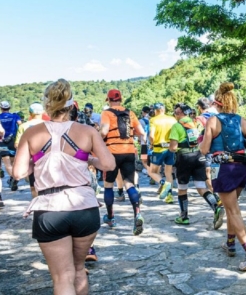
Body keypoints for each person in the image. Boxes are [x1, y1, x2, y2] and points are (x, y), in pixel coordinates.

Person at [12, 79, 115, 294]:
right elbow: (108, 164)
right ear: (71, 104)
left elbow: (19, 173)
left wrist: (37, 161)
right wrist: (89, 160)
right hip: (84, 207)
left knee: (61, 277)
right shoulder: (87, 131)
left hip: (50, 209)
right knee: (79, 270)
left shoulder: (31, 133)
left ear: (47, 104)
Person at [200, 82, 246, 271]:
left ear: (217, 103)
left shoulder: (213, 121)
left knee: (233, 210)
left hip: (223, 169)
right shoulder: (242, 120)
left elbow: (204, 149)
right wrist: (245, 147)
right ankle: (230, 243)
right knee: (231, 207)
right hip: (241, 168)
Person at [169, 103, 224, 228]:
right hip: (198, 157)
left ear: (179, 113)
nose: (175, 115)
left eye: (176, 112)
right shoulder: (195, 123)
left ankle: (184, 217)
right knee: (201, 187)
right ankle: (216, 207)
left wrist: (170, 147)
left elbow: (173, 148)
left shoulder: (176, 126)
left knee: (182, 188)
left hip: (184, 159)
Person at [100, 89, 146, 235]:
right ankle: (137, 214)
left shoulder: (106, 113)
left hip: (112, 153)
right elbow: (141, 132)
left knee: (108, 185)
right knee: (129, 183)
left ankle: (111, 217)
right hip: (128, 152)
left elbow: (104, 132)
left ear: (108, 100)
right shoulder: (130, 113)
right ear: (121, 99)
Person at [147, 102, 177, 204]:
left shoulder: (153, 120)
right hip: (170, 148)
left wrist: (151, 144)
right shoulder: (172, 119)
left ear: (155, 110)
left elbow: (151, 135)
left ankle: (163, 183)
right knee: (168, 173)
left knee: (152, 172)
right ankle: (169, 196)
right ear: (164, 109)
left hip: (158, 149)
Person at [14, 103, 46, 199]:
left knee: (33, 186)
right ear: (43, 112)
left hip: (33, 159)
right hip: (49, 158)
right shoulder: (51, 124)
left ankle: (37, 206)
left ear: (30, 113)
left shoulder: (23, 126)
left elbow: (17, 145)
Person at [0, 100, 22, 191]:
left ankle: (13, 178)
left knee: (6, 162)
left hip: (2, 141)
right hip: (13, 140)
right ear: (9, 108)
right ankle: (13, 178)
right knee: (13, 162)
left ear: (1, 108)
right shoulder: (15, 116)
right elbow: (20, 124)